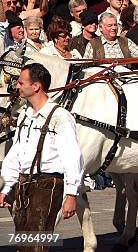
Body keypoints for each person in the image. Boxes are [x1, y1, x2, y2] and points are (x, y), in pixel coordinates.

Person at [0, 63, 84, 251]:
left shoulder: (60, 116)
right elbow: (16, 153)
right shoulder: (24, 115)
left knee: (36, 244)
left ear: (36, 86)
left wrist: (71, 194)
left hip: (48, 185)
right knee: (23, 244)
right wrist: (5, 187)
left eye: (21, 82)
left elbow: (72, 157)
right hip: (24, 184)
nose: (17, 86)